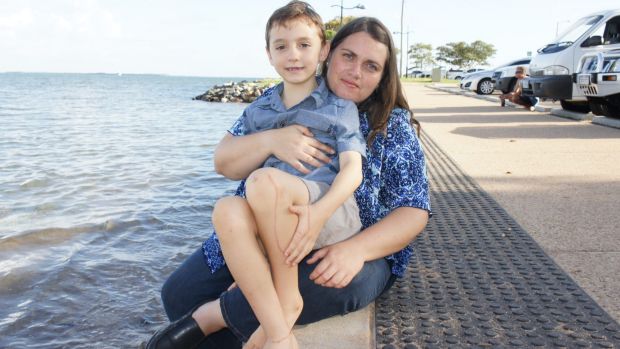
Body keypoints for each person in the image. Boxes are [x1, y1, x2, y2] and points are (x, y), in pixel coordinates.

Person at [147, 16, 431, 349]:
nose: (355, 71)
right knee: (179, 295)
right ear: (328, 54)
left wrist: (355, 249)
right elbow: (224, 161)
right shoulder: (284, 99)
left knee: (336, 281)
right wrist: (271, 140)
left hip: (350, 241)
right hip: (266, 229)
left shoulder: (393, 126)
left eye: (371, 66)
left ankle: (218, 317)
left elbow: (413, 212)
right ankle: (253, 317)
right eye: (348, 57)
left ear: (383, 76)